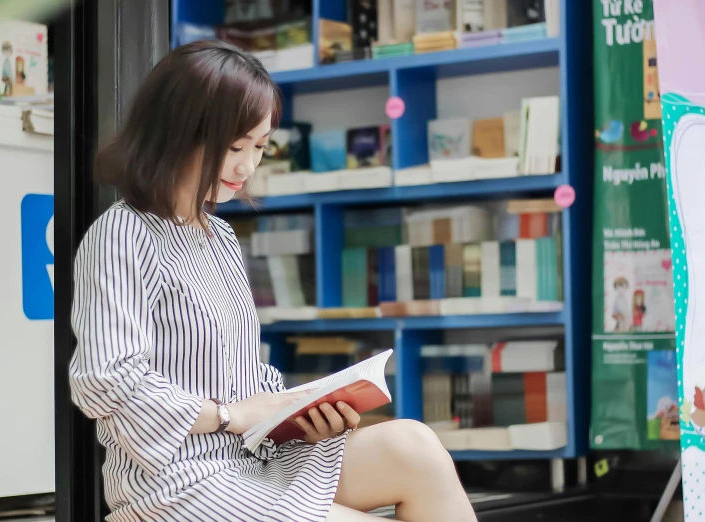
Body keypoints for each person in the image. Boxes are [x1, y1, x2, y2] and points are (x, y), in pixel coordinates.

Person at [69, 40, 477, 522]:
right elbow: (104, 380)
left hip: (258, 461)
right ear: (176, 133)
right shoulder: (123, 233)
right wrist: (229, 416)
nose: (247, 166)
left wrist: (298, 416)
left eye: (260, 146)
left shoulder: (218, 235)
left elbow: (244, 378)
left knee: (414, 445)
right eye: (234, 146)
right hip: (180, 483)